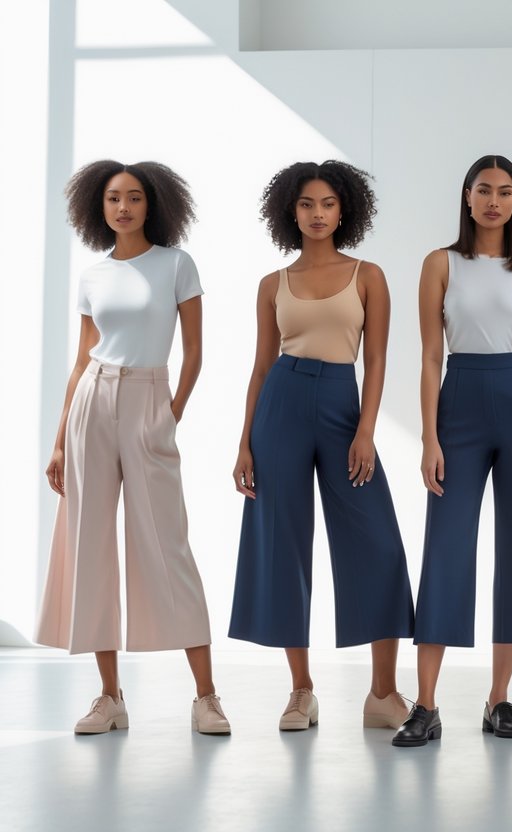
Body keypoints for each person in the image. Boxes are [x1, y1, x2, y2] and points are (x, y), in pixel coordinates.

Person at [38, 160, 229, 735]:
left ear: (154, 205)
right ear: (99, 207)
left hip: (150, 397)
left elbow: (194, 351)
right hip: (92, 403)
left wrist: (169, 415)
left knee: (167, 543)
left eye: (135, 197)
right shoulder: (93, 275)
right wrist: (57, 440)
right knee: (91, 544)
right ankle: (109, 697)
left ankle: (207, 696)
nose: (123, 207)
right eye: (114, 198)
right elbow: (81, 359)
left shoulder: (176, 264)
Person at [229, 160, 414, 732]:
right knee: (284, 545)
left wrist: (366, 430)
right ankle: (301, 691)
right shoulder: (272, 284)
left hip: (341, 406)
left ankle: (383, 693)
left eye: (328, 203)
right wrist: (244, 444)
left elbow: (378, 358)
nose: (317, 214)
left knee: (377, 545)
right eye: (306, 204)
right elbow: (262, 367)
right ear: (291, 211)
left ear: (345, 210)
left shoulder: (368, 275)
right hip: (280, 405)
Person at [393, 155, 512, 748]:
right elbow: (429, 356)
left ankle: (498, 701)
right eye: (484, 190)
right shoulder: (440, 264)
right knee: (445, 548)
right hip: (460, 402)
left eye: (506, 192)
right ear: (467, 198)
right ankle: (427, 705)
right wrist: (429, 435)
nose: (494, 200)